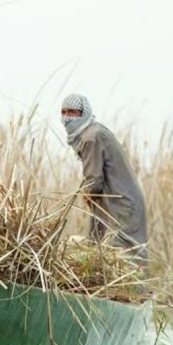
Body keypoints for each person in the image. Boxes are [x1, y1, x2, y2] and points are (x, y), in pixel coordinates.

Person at [61, 93, 148, 264]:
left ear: (83, 113)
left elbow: (94, 182)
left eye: (73, 112)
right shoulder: (95, 131)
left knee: (122, 255)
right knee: (107, 251)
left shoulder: (91, 137)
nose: (67, 118)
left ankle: (135, 290)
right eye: (64, 112)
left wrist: (87, 194)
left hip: (121, 204)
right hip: (119, 202)